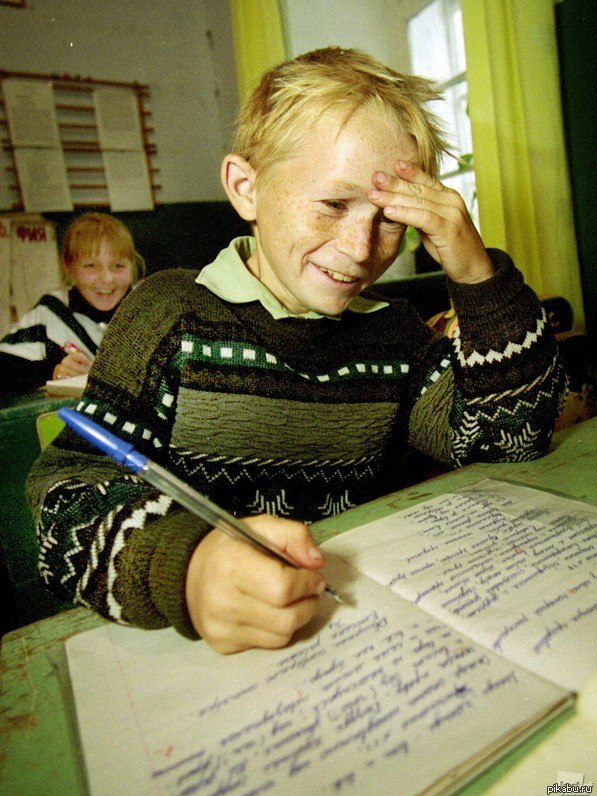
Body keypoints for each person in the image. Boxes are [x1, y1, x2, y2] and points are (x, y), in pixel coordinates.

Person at [27, 48, 566, 654]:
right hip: (207, 655)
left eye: (391, 219)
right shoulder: (169, 315)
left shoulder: (395, 333)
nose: (361, 247)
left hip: (365, 637)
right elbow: (66, 498)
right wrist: (190, 569)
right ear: (246, 187)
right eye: (334, 204)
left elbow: (511, 438)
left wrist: (475, 272)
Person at [0, 212, 144, 392]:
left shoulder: (152, 310)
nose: (107, 279)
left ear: (133, 265)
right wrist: (54, 371)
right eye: (90, 266)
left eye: (118, 266)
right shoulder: (51, 312)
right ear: (68, 267)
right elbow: (4, 369)